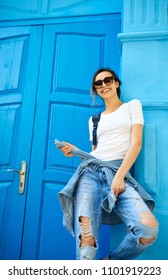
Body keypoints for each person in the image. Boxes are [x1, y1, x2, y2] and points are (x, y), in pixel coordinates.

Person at [56, 67, 158, 260]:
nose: (103, 85)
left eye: (108, 80)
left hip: (117, 174)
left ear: (116, 83)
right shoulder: (94, 120)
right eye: (98, 83)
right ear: (95, 89)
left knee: (147, 229)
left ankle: (108, 263)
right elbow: (96, 153)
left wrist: (119, 177)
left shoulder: (132, 106)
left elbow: (136, 144)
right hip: (89, 175)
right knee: (87, 243)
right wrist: (77, 152)